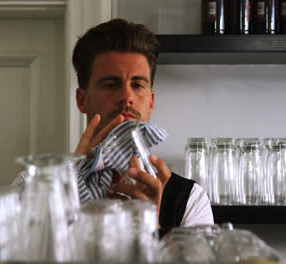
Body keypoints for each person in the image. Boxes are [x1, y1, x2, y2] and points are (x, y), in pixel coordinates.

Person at [72, 18, 213, 230]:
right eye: (111, 84)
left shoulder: (191, 201)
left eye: (137, 85)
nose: (127, 97)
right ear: (82, 100)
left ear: (151, 102)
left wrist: (152, 228)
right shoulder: (31, 186)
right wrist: (69, 187)